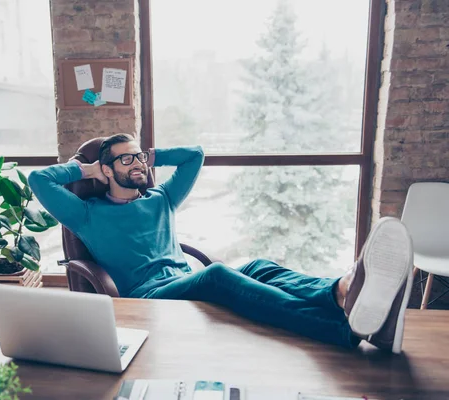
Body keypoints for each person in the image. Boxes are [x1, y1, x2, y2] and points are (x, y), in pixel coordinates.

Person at [29, 133, 414, 354]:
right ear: (108, 169)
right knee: (216, 275)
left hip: (182, 281)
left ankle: (344, 294)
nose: (138, 165)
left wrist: (153, 155)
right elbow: (39, 181)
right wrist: (86, 169)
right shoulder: (86, 213)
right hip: (146, 298)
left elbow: (195, 155)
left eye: (140, 157)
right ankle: (343, 327)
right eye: (126, 159)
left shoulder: (160, 198)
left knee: (258, 266)